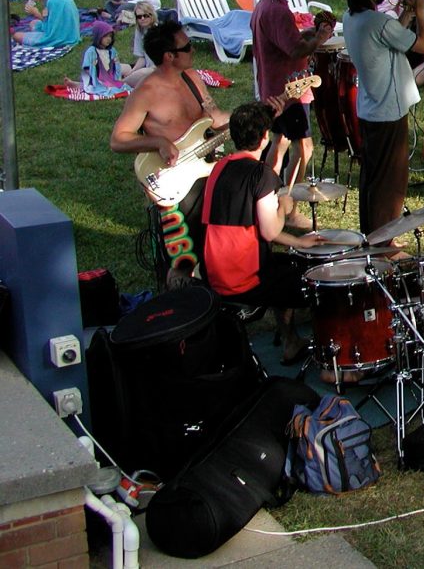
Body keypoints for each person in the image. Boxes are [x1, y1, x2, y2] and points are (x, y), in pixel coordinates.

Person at [110, 20, 233, 287]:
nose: (193, 51)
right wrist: (158, 142)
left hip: (205, 169)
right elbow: (118, 140)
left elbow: (215, 117)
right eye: (187, 47)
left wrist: (249, 117)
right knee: (183, 261)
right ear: (169, 56)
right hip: (173, 181)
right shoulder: (146, 92)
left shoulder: (193, 78)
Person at [202, 100, 323, 365]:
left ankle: (290, 341)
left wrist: (297, 242)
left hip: (215, 271)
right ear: (266, 136)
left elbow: (254, 226)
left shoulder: (218, 169)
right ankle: (325, 344)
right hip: (245, 278)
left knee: (285, 262)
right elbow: (270, 230)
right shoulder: (262, 175)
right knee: (312, 279)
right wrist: (284, 207)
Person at [342, 0, 424, 236]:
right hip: (388, 110)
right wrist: (420, 11)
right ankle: (384, 242)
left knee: (372, 177)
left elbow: (392, 38)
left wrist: (405, 13)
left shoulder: (351, 17)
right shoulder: (379, 22)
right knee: (391, 182)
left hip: (370, 107)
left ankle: (372, 234)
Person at [250, 0, 335, 227]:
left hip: (276, 88)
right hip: (289, 93)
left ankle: (268, 200)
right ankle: (289, 209)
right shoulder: (275, 10)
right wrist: (320, 37)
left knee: (280, 144)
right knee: (303, 148)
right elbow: (295, 49)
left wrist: (309, 33)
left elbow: (287, 42)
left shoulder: (266, 5)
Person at [11, 0, 79, 47]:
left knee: (16, 36)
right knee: (33, 23)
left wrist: (36, 13)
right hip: (70, 34)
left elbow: (51, 28)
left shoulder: (53, 0)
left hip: (59, 38)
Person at [77, 20, 129, 96]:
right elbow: (87, 68)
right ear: (98, 36)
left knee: (122, 87)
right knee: (105, 89)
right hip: (97, 80)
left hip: (110, 78)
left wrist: (116, 77)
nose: (108, 39)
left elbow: (116, 66)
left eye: (110, 36)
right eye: (105, 36)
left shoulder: (112, 51)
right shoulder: (91, 51)